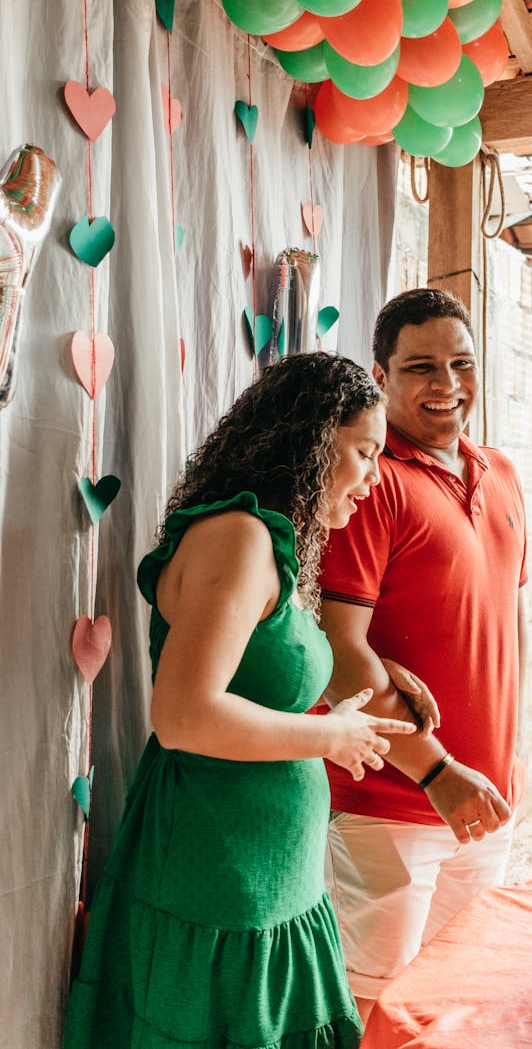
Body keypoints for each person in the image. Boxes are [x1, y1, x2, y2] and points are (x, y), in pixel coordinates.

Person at [63, 352, 420, 1049]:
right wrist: (327, 739)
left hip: (260, 881)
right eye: (364, 454)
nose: (374, 480)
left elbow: (253, 691)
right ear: (314, 442)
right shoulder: (238, 538)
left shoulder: (267, 542)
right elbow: (184, 714)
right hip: (219, 883)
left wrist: (336, 719)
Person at [319, 289, 528, 1022]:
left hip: (485, 803)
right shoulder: (373, 484)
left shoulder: (499, 472)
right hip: (391, 804)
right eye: (421, 367)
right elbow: (339, 649)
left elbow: (501, 626)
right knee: (374, 1011)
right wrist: (438, 771)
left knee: (457, 1009)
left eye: (461, 363)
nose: (447, 385)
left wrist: (502, 754)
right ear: (380, 375)